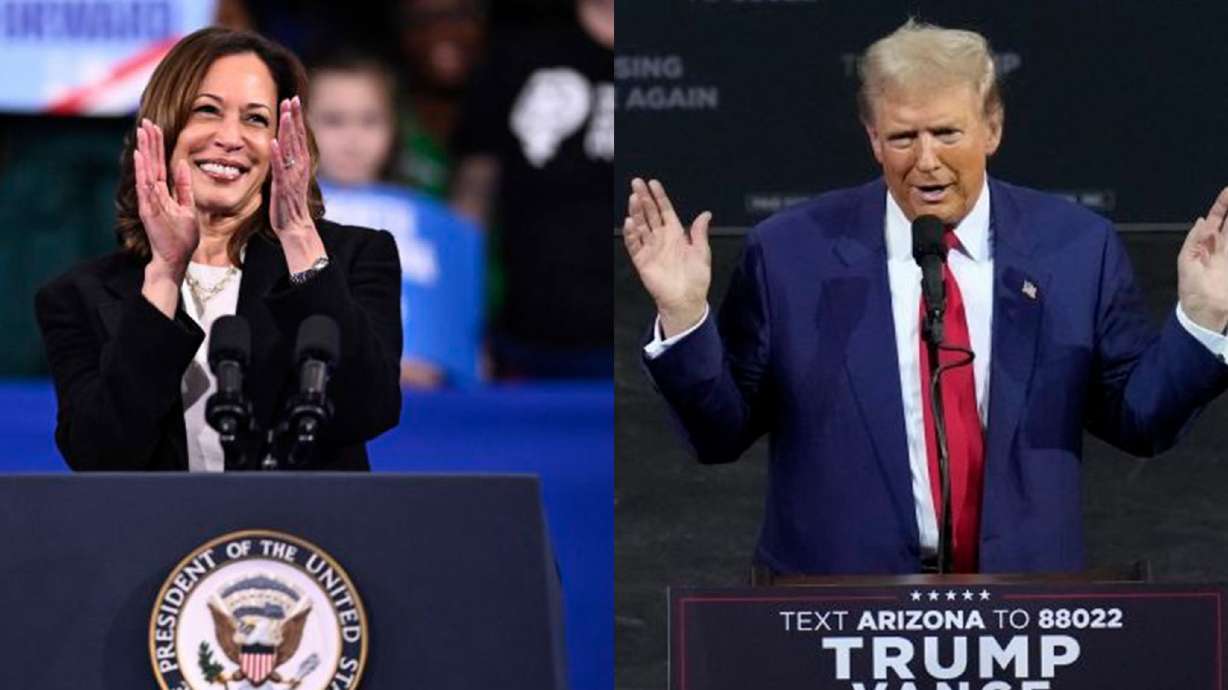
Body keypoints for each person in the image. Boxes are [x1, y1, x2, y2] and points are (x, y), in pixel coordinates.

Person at [624, 20, 1228, 575]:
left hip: (1023, 609)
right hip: (835, 610)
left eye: (946, 132)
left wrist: (1203, 318)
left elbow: (1141, 421)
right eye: (902, 137)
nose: (926, 160)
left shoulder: (1074, 249)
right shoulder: (790, 254)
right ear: (872, 138)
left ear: (992, 127)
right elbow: (718, 434)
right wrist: (684, 316)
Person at [34, 27, 402, 472]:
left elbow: (369, 409)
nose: (231, 137)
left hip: (301, 536)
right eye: (207, 111)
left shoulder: (354, 258)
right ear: (164, 127)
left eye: (256, 119)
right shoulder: (78, 296)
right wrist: (165, 274)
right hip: (157, 539)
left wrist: (301, 239)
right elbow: (100, 456)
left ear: (285, 143)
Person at [451, 0, 613, 379]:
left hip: (660, 347)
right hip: (528, 344)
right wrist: (457, 332)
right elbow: (470, 204)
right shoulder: (516, 51)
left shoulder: (695, 54)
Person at [308, 51, 484, 388]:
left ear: (394, 127)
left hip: (422, 404)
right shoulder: (272, 218)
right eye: (333, 120)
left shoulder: (437, 224)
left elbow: (459, 339)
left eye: (370, 120)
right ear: (299, 126)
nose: (352, 139)